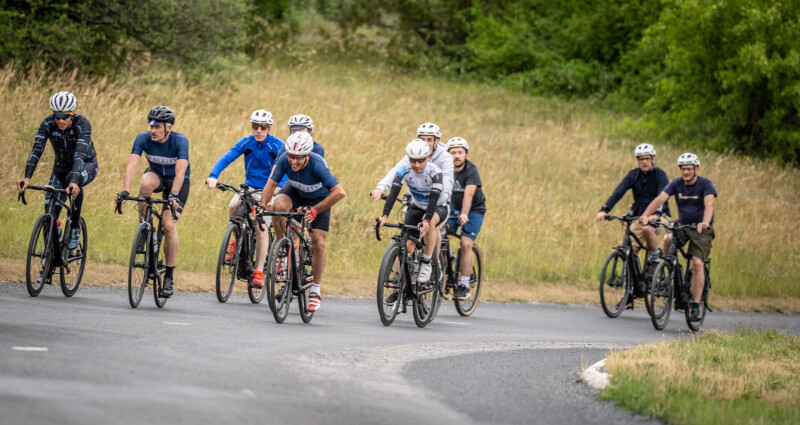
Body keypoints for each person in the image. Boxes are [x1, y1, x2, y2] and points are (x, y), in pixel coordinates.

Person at [260, 131, 345, 313]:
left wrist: (316, 210)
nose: (294, 162)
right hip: (296, 192)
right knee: (277, 207)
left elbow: (339, 192)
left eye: (299, 158)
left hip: (319, 200)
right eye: (291, 157)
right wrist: (261, 206)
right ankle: (284, 247)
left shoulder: (317, 165)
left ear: (307, 155)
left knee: (318, 243)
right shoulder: (285, 158)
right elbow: (271, 184)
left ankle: (315, 290)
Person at [115, 106, 189, 298]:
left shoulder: (180, 141)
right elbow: (133, 164)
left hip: (177, 183)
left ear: (169, 127)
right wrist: (125, 190)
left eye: (157, 127)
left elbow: (181, 171)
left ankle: (169, 277)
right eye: (151, 126)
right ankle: (144, 226)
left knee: (168, 226)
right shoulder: (143, 138)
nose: (153, 130)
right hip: (156, 176)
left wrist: (173, 195)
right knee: (145, 182)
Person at [206, 110, 284, 288]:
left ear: (269, 128)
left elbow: (285, 168)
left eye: (262, 127)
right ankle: (235, 240)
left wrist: (277, 189)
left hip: (268, 190)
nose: (258, 130)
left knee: (261, 227)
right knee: (233, 206)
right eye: (255, 126)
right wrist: (213, 175)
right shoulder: (246, 142)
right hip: (249, 188)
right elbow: (227, 157)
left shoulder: (278, 146)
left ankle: (258, 272)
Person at [17, 91, 98, 256]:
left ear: (72, 113)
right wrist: (27, 178)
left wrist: (75, 181)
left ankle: (75, 225)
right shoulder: (47, 124)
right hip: (60, 167)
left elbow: (79, 154)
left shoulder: (82, 124)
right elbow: (37, 150)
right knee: (50, 212)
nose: (60, 120)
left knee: (72, 179)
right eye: (57, 115)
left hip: (86, 164)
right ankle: (50, 259)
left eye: (65, 116)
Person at [640, 153, 716, 321]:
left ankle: (695, 305)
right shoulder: (677, 183)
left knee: (697, 263)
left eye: (689, 169)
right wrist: (645, 215)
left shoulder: (705, 184)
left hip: (701, 229)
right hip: (683, 224)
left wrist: (704, 222)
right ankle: (669, 272)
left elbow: (709, 204)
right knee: (667, 239)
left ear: (696, 169)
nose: (686, 172)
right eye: (683, 169)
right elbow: (659, 199)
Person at [377, 139, 448, 306]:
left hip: (437, 207)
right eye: (413, 160)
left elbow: (433, 200)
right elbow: (394, 192)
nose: (416, 165)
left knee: (428, 225)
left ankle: (426, 262)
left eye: (420, 161)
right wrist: (384, 216)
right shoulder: (404, 168)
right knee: (407, 245)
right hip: (417, 206)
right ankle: (400, 286)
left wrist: (427, 219)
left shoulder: (435, 172)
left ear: (428, 157)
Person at [595, 143, 671, 296]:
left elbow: (662, 196)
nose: (644, 162)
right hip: (638, 217)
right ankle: (632, 286)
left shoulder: (660, 175)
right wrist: (604, 210)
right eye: (641, 159)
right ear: (638, 160)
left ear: (653, 159)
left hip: (660, 216)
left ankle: (655, 260)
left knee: (647, 228)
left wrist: (655, 214)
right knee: (631, 250)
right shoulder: (633, 175)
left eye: (647, 159)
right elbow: (618, 192)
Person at [445, 137, 486, 300]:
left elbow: (468, 194)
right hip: (452, 208)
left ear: (466, 155)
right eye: (453, 152)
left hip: (473, 210)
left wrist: (464, 214)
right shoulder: (445, 169)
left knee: (466, 243)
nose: (456, 156)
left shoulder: (471, 170)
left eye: (460, 152)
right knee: (439, 232)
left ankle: (463, 284)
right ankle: (450, 256)